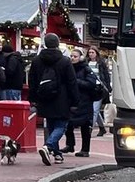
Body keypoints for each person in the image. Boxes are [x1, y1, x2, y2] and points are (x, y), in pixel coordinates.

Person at [28, 33, 79, 164]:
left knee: (51, 125)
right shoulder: (65, 61)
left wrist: (33, 99)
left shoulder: (37, 61)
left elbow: (32, 81)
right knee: (61, 125)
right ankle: (48, 146)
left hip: (44, 96)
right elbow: (72, 82)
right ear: (57, 44)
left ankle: (57, 154)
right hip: (62, 97)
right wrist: (75, 100)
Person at [66, 46, 105, 157]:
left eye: (75, 56)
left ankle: (85, 150)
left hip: (85, 100)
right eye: (71, 56)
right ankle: (70, 145)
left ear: (81, 57)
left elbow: (91, 83)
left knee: (85, 125)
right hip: (72, 100)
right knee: (68, 123)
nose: (72, 58)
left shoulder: (86, 68)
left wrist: (76, 82)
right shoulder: (68, 68)